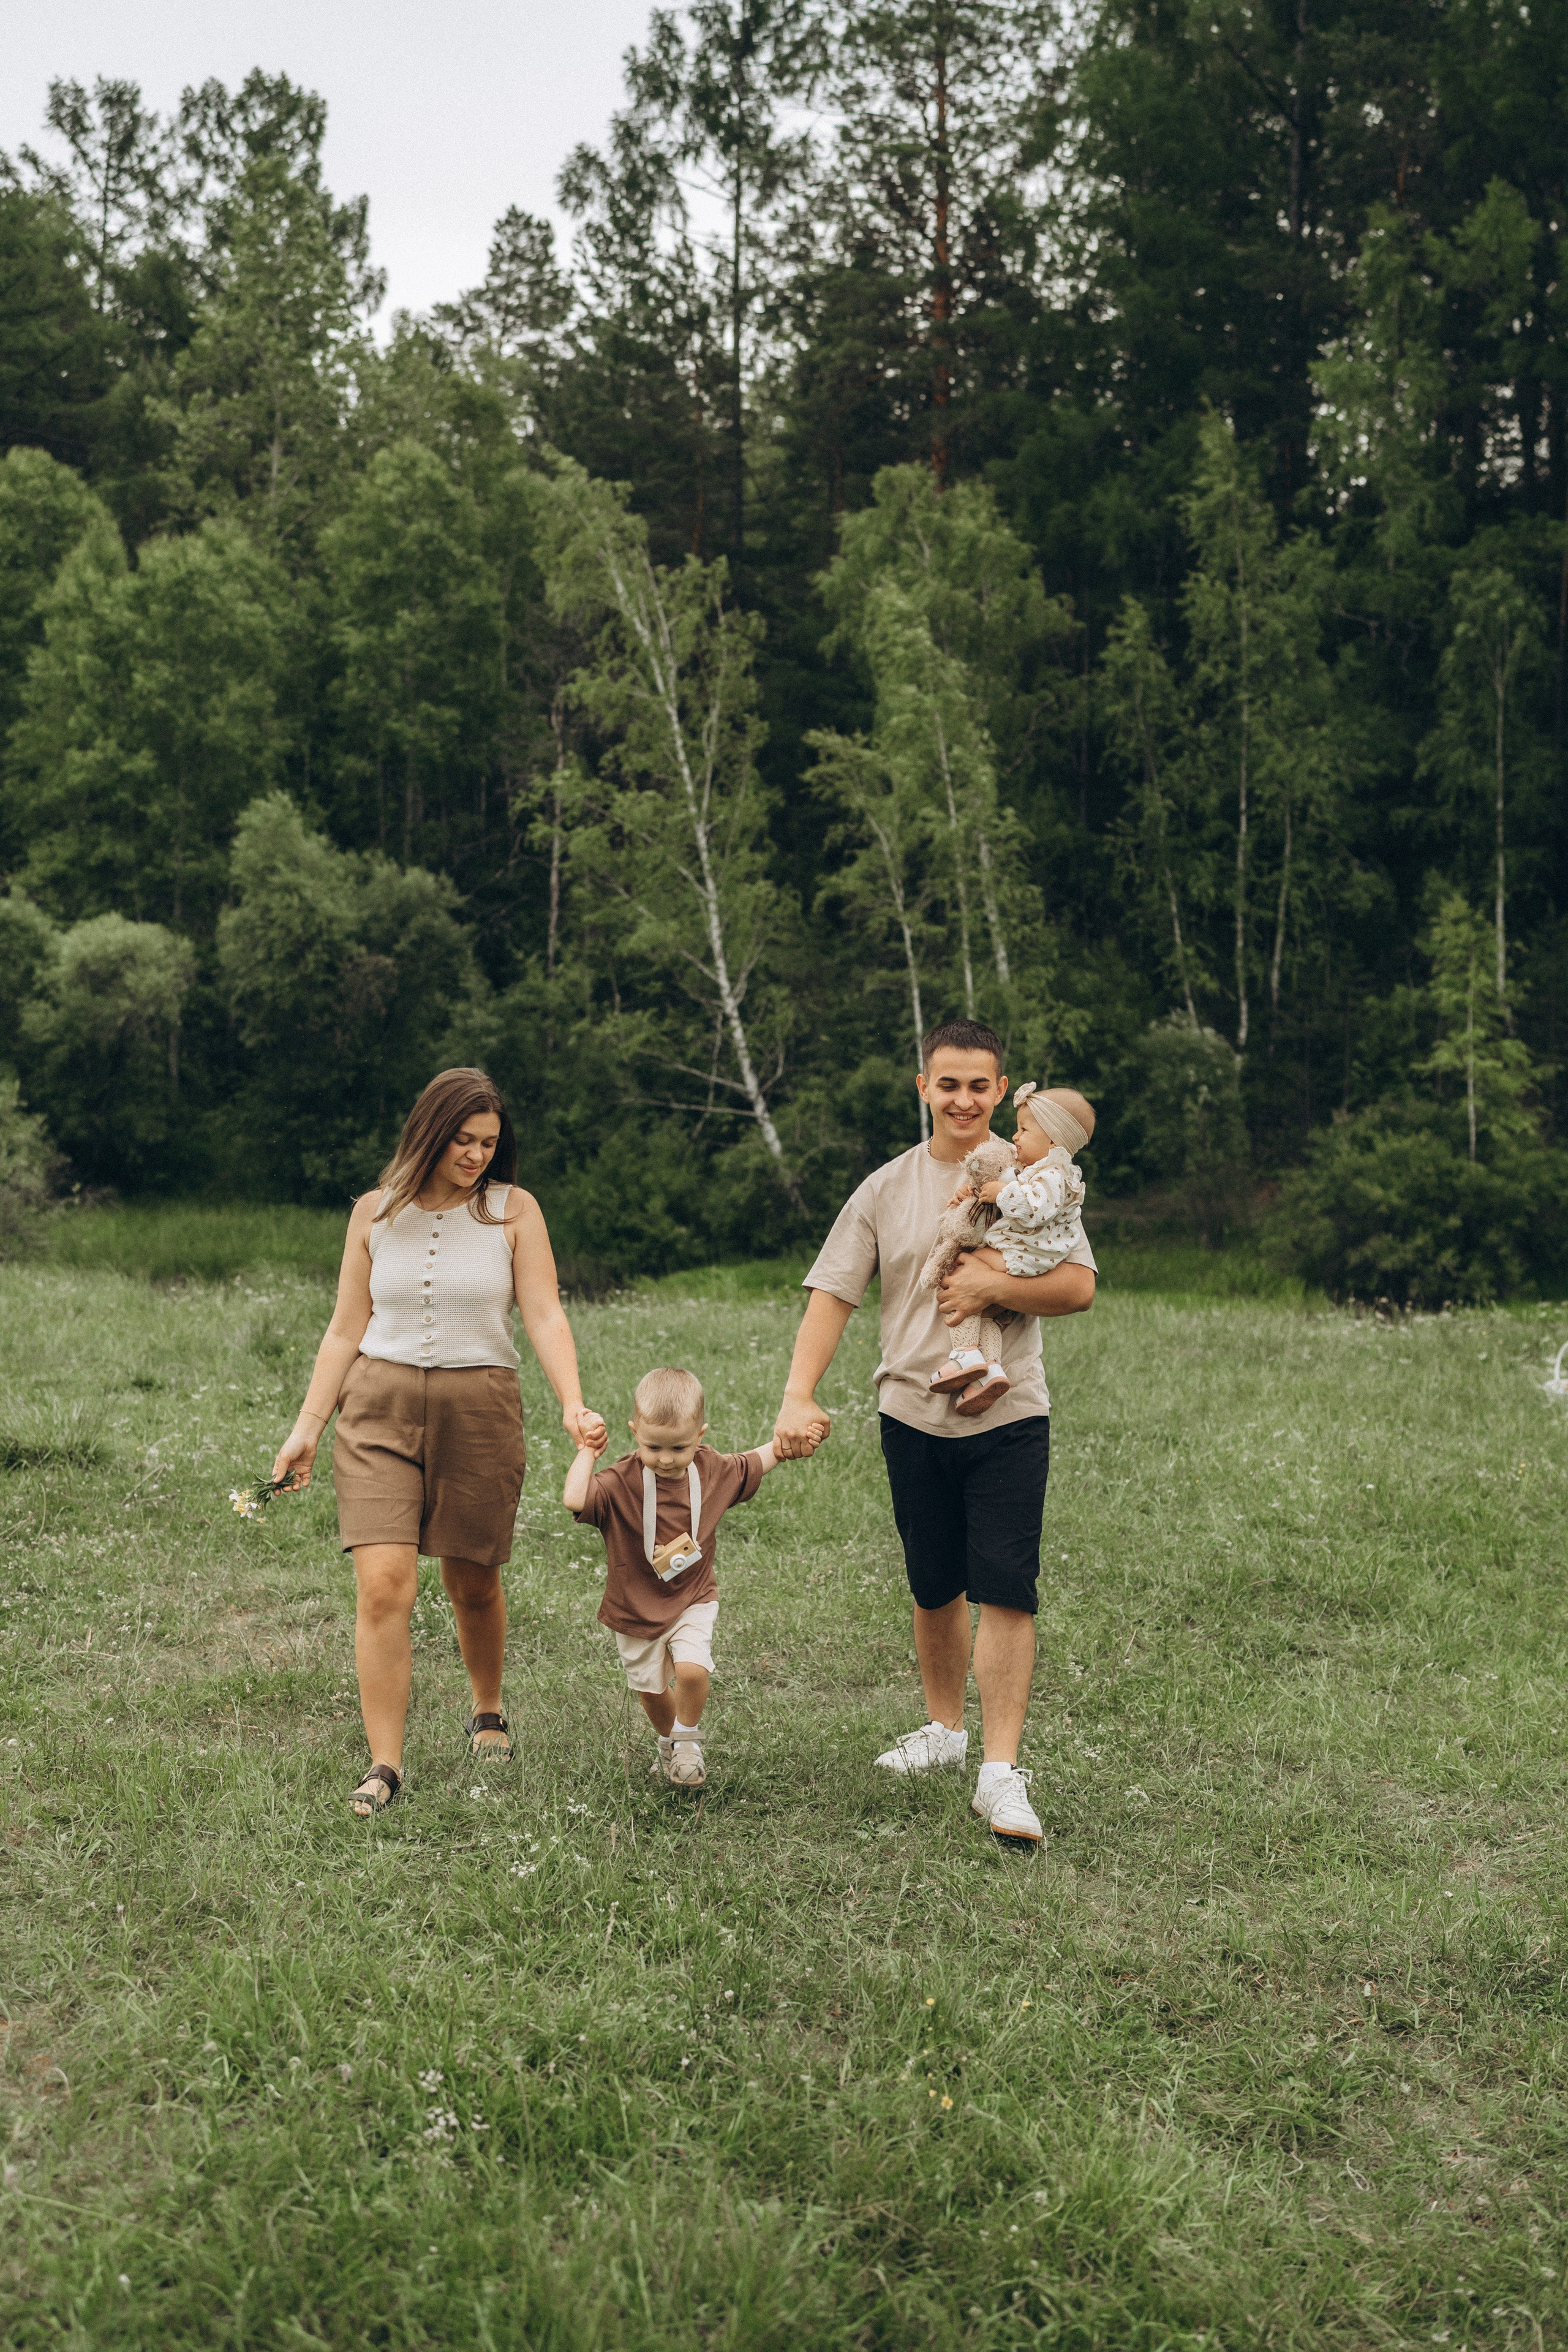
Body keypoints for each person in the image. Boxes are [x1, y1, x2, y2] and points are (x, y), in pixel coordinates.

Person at [771, 1019, 1096, 1846]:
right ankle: (944, 1733)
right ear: (923, 1088)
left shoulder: (1036, 1175)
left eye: (979, 1086)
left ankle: (999, 1774)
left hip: (1011, 1412)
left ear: (1000, 1090)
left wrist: (994, 1284)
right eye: (947, 1084)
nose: (963, 1099)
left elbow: (1078, 1286)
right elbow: (833, 1293)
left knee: (1008, 1586)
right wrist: (797, 1393)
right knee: (933, 1584)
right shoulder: (885, 1188)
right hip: (912, 1413)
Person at [271, 1068, 607, 1817]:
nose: (476, 1155)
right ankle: (384, 1765)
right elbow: (343, 1327)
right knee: (384, 1585)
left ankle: (486, 1708)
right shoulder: (374, 1212)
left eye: (488, 1142)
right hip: (377, 1409)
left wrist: (572, 1404)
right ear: (429, 1131)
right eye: (462, 1139)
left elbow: (545, 1314)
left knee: (473, 1582)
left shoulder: (513, 1212)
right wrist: (306, 1430)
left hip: (480, 1407)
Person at [562, 1364, 802, 1790]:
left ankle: (688, 1742)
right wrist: (587, 1452)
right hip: (634, 1603)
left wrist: (792, 1442)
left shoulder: (712, 1470)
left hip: (694, 1595)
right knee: (652, 1690)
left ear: (701, 1436)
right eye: (654, 1446)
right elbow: (574, 1498)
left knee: (691, 1671)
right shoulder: (621, 1481)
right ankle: (667, 1742)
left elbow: (760, 1460)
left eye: (680, 1447)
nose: (667, 1459)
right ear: (634, 1431)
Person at [927, 1080, 1093, 1415]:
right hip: (1025, 1256)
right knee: (989, 1312)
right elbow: (1002, 1187)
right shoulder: (1037, 1171)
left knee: (961, 1272)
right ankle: (990, 1371)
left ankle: (965, 1355)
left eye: (1023, 1130)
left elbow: (1033, 1208)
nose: (1015, 1137)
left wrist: (1000, 1193)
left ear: (1053, 1141)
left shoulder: (1055, 1175)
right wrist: (973, 1193)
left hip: (1022, 1256)